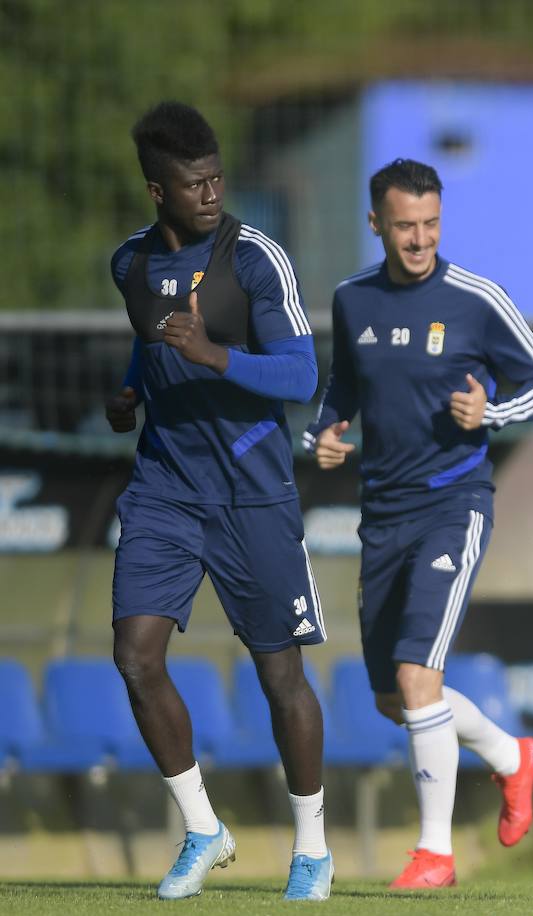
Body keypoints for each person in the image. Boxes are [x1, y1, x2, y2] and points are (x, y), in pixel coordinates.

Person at [305, 158, 533, 889]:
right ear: (376, 224)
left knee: (421, 677)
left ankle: (435, 856)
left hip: (455, 505)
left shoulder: (474, 299)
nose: (419, 240)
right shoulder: (353, 299)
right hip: (381, 513)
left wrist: (495, 414)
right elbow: (342, 389)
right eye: (404, 226)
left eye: (430, 225)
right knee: (396, 698)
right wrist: (323, 436)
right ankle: (517, 760)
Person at [104, 101, 332, 901]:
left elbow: (301, 378)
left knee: (281, 680)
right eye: (192, 183)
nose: (210, 193)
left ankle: (312, 849)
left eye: (216, 179)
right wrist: (131, 390)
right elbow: (146, 330)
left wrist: (213, 353)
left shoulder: (257, 259)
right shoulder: (129, 263)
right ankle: (203, 829)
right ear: (156, 192)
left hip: (251, 493)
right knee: (135, 656)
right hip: (164, 486)